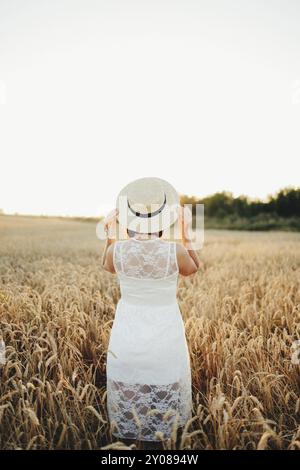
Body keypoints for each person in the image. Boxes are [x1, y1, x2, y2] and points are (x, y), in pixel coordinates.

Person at [102, 177, 200, 445]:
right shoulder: (175, 251)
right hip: (164, 331)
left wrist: (111, 233)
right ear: (162, 222)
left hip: (127, 331)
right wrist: (185, 232)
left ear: (129, 221)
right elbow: (194, 268)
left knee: (131, 396)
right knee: (162, 391)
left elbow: (107, 265)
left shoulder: (117, 251)